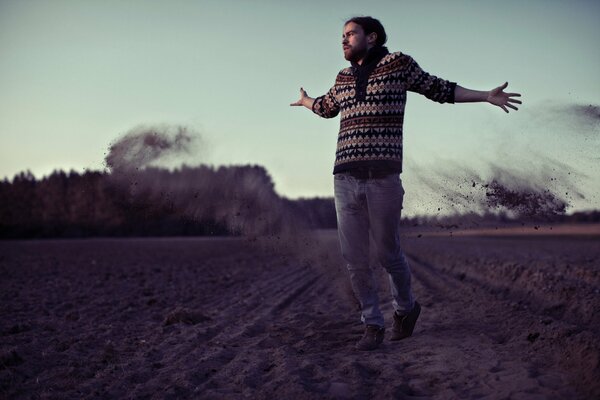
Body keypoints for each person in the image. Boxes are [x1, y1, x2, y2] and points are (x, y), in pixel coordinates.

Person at [290, 16, 521, 351]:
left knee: (387, 252)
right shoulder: (342, 77)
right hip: (345, 177)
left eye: (350, 34)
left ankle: (405, 308)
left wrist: (486, 95)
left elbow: (439, 88)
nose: (343, 39)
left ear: (371, 37)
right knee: (353, 257)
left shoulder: (397, 63)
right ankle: (372, 324)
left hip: (383, 177)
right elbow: (326, 108)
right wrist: (306, 100)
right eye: (341, 35)